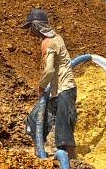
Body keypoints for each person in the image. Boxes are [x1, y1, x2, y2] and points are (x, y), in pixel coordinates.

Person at [22, 8, 78, 158]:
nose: (30, 32)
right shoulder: (57, 38)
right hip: (56, 91)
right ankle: (39, 157)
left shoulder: (48, 43)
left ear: (36, 26)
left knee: (64, 129)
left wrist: (41, 87)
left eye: (31, 28)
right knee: (34, 119)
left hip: (65, 90)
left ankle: (72, 164)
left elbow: (49, 70)